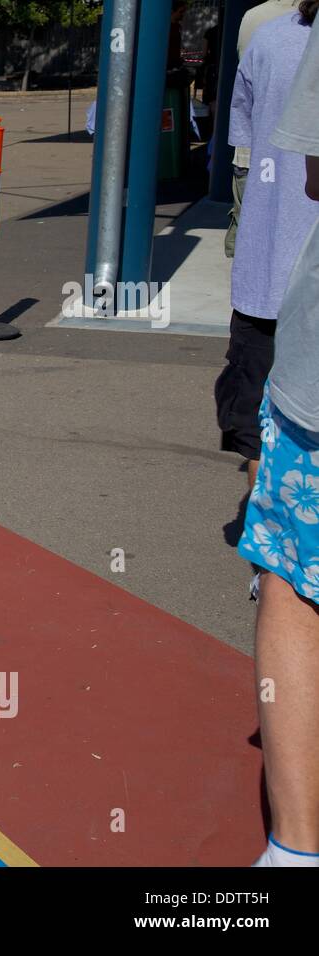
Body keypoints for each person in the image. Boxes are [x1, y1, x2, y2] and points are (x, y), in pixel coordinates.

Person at [237, 2, 319, 868]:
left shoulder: (272, 31)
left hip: (314, 368)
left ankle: (297, 849)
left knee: (296, 582)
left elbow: (309, 172)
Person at [215, 5, 317, 501]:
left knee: (259, 433)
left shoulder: (266, 36)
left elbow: (245, 151)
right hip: (295, 278)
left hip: (269, 277)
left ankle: (267, 562)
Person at [227, 2, 301, 257]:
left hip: (255, 148)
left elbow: (244, 86)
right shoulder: (304, 22)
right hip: (298, 152)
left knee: (254, 235)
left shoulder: (254, 18)